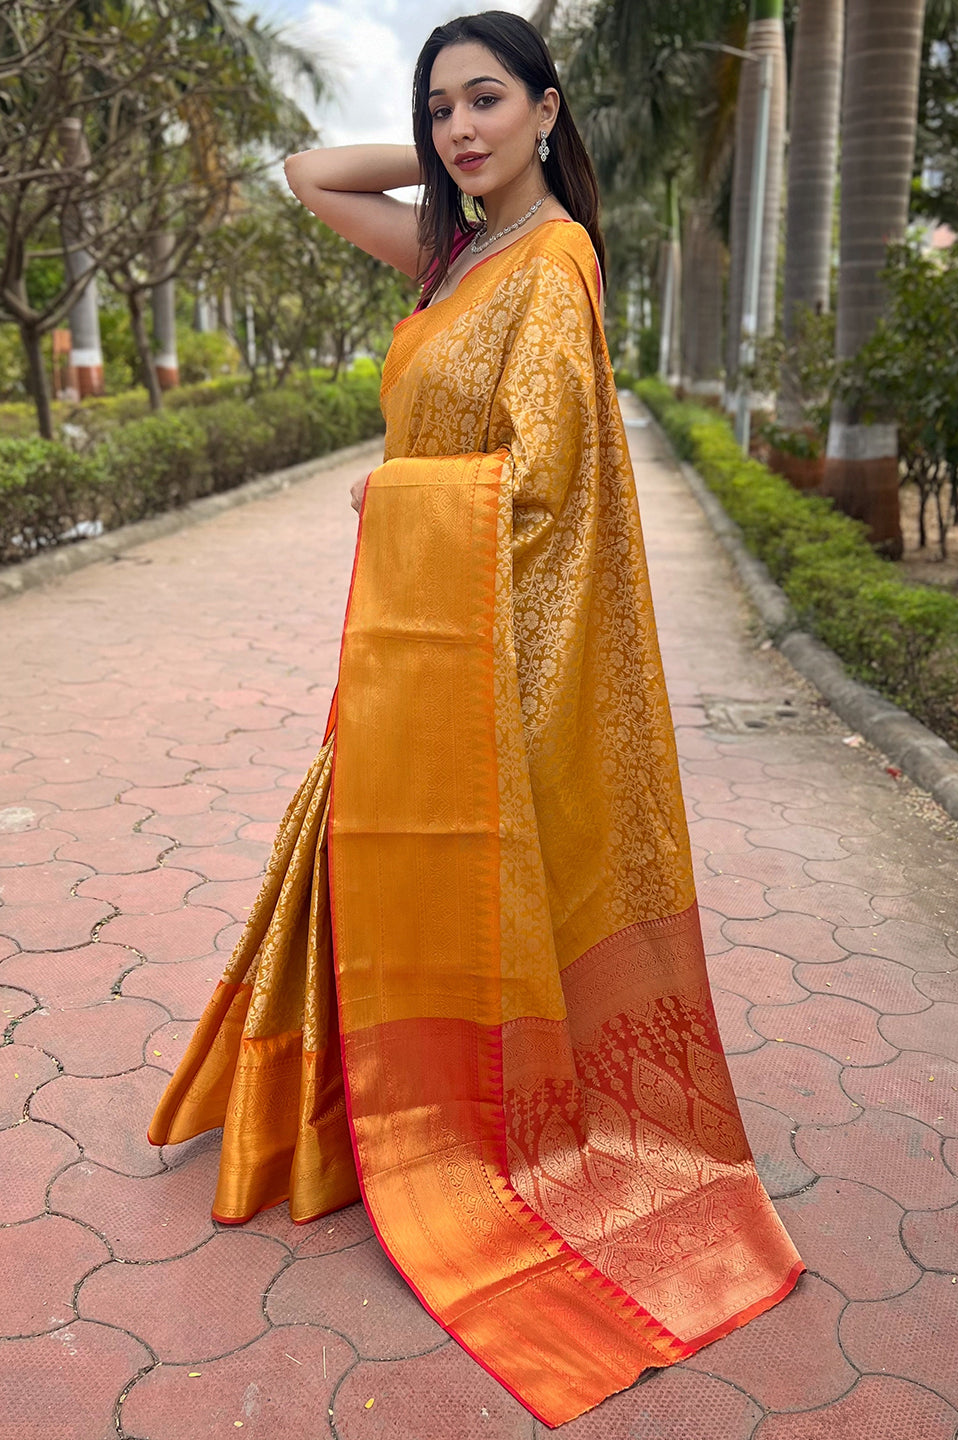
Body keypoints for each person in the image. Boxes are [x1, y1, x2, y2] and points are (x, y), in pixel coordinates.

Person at [148, 11, 803, 1428]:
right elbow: (308, 175)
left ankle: (431, 1119)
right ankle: (351, 1102)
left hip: (468, 626)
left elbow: (550, 481)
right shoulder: (457, 252)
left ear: (549, 109)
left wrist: (401, 503)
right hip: (411, 632)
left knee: (412, 858)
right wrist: (452, 166)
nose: (458, 129)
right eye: (441, 106)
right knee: (360, 851)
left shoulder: (552, 263)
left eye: (488, 101)